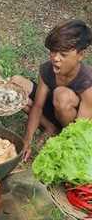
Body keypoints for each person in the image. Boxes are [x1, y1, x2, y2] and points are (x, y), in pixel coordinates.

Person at [17, 19, 92, 161]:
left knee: (61, 95)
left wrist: (62, 149)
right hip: (54, 111)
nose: (55, 58)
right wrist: (27, 140)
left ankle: (60, 134)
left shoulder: (88, 81)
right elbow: (38, 106)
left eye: (63, 55)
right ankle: (50, 127)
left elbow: (81, 129)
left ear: (80, 55)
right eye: (53, 52)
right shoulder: (47, 69)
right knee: (17, 86)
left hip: (76, 124)